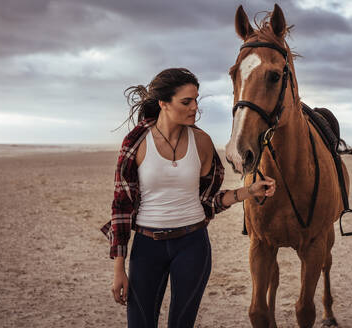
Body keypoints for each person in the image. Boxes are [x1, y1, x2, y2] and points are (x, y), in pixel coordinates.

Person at [100, 68, 276, 328]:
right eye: (186, 102)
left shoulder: (202, 142)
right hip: (147, 247)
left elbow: (209, 201)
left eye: (196, 100)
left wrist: (249, 191)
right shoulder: (136, 143)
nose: (195, 107)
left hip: (193, 245)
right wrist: (119, 269)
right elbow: (121, 207)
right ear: (163, 103)